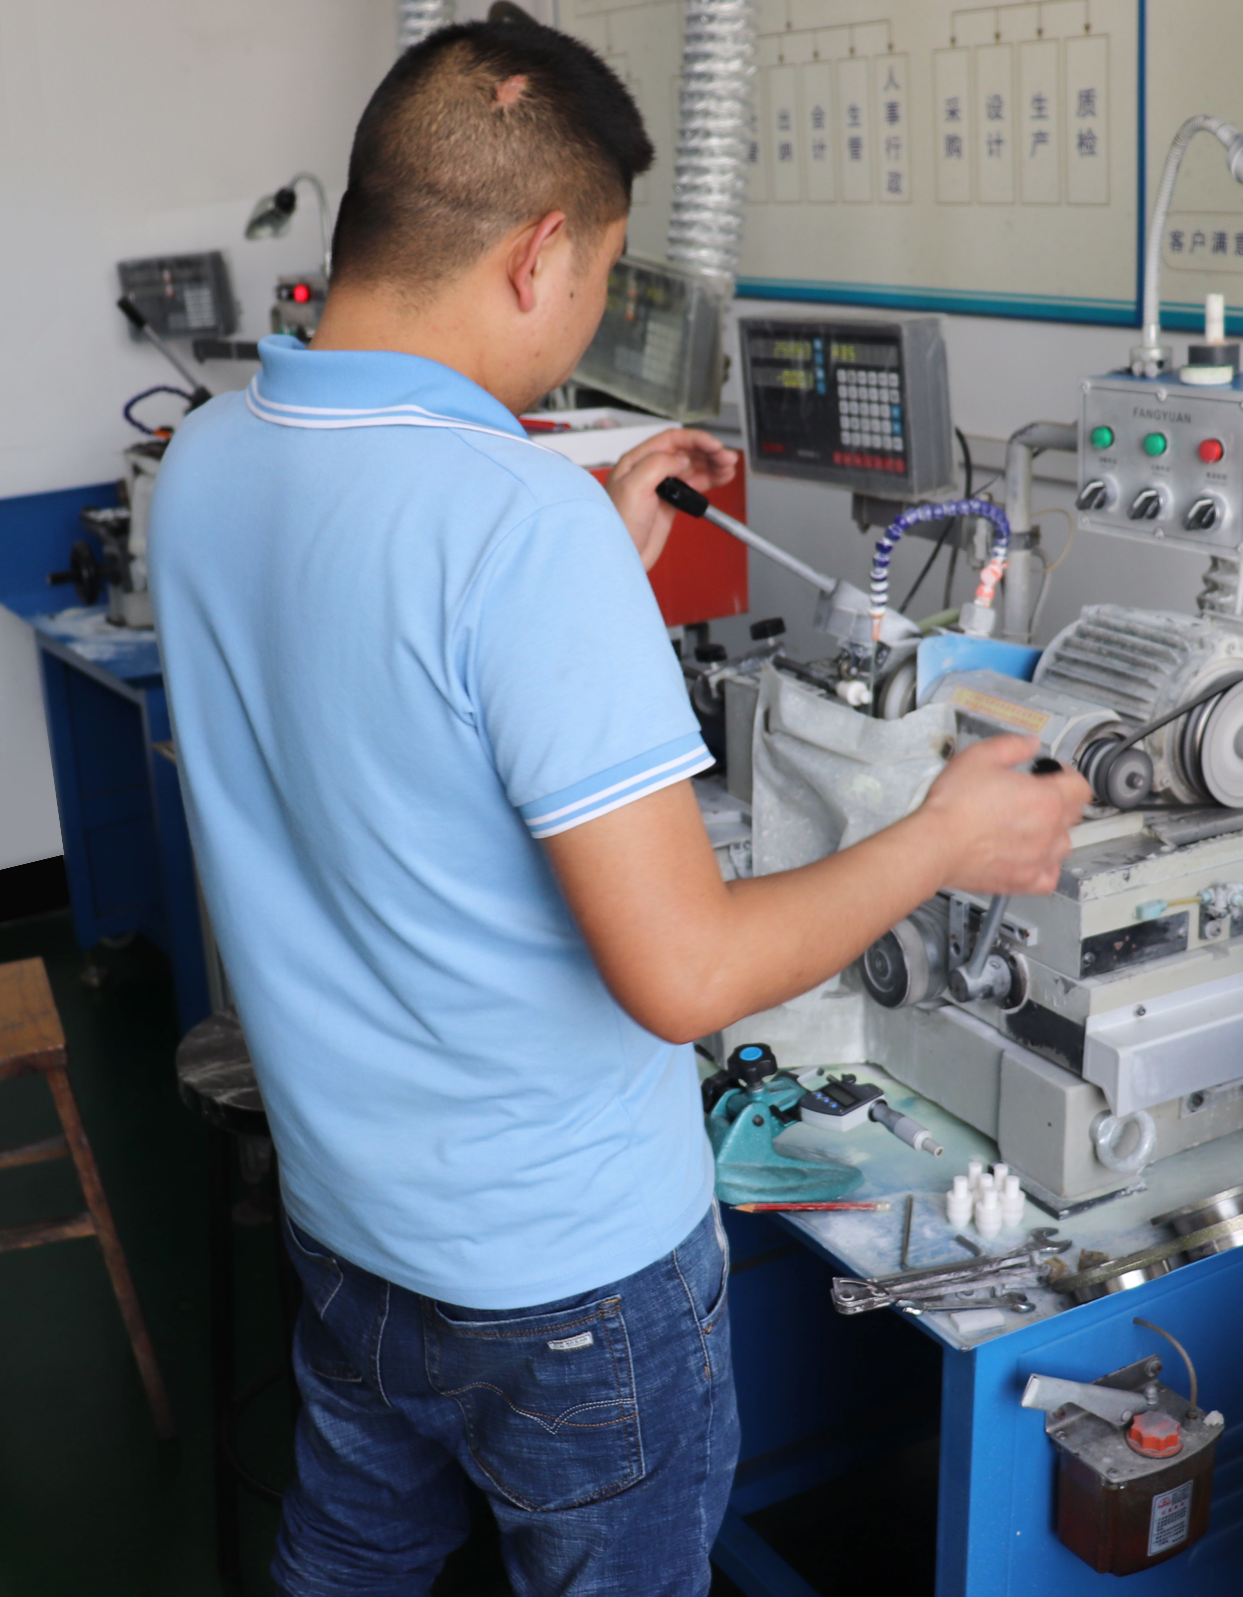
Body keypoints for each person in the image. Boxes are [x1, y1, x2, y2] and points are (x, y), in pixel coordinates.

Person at [149, 13, 1086, 1596]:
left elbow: (376, 687)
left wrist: (592, 551)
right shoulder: (517, 528)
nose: (588, 314)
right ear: (540, 255)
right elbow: (686, 976)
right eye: (598, 277)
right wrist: (945, 838)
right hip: (565, 1283)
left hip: (349, 1224)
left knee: (353, 1555)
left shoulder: (211, 457)